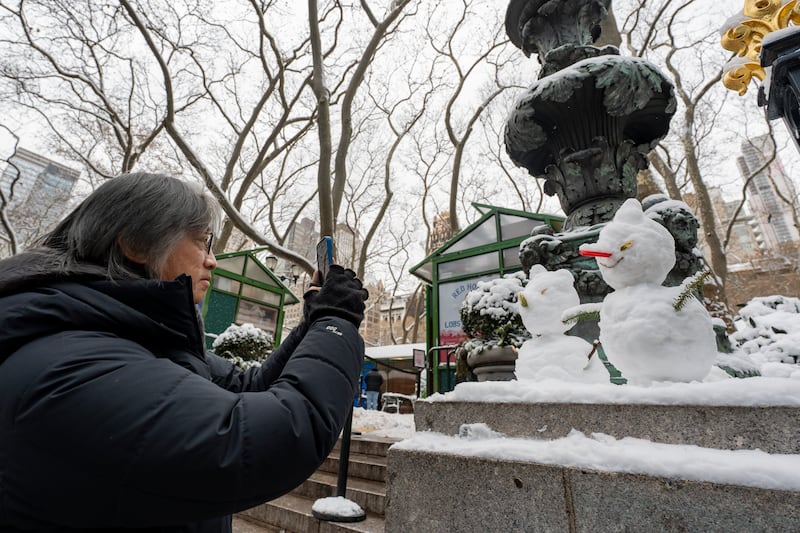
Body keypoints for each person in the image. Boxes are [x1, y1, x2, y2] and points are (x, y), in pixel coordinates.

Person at [0, 172, 369, 533]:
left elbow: (248, 386)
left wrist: (315, 318)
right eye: (202, 242)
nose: (212, 260)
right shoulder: (68, 361)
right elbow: (275, 435)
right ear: (137, 245)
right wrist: (336, 321)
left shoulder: (138, 339)